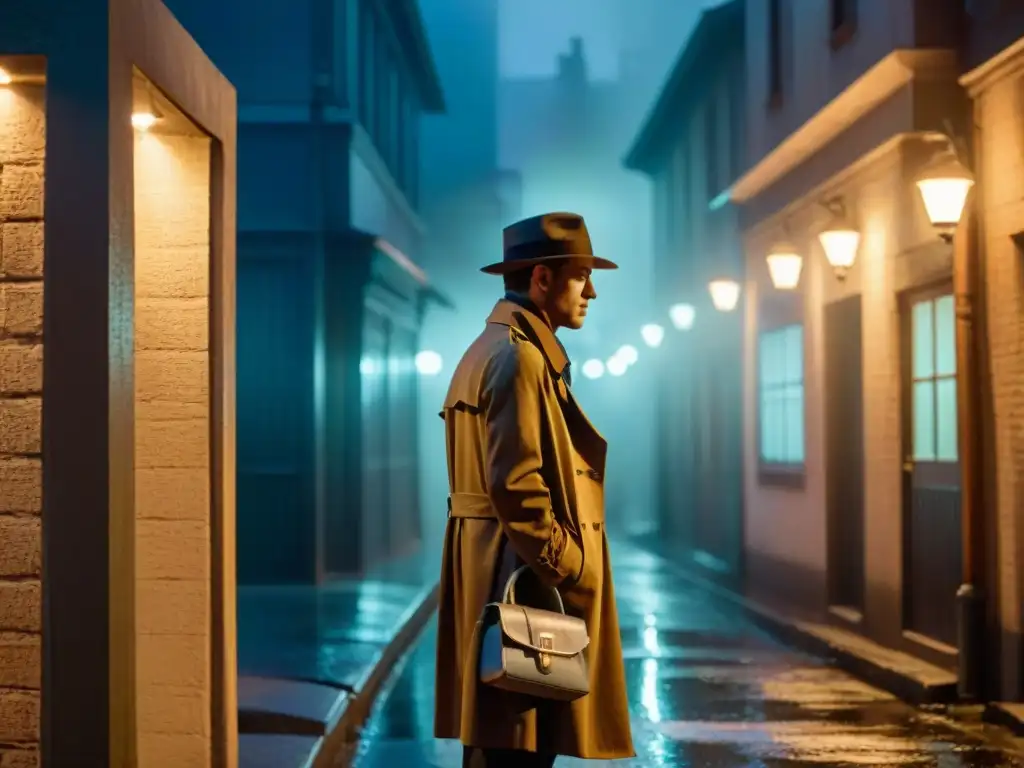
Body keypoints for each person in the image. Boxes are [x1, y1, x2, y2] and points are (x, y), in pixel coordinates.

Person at [433, 212, 635, 767]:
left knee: (500, 749)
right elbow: (516, 486)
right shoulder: (517, 358)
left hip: (497, 574)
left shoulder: (499, 348)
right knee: (515, 749)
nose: (591, 290)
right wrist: (571, 564)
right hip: (518, 584)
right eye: (580, 275)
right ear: (542, 279)